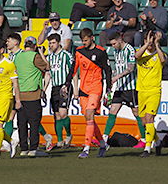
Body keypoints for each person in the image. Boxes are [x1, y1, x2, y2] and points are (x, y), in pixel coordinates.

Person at [64, 28, 111, 158]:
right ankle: (102, 143)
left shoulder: (101, 52)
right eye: (82, 41)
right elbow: (73, 69)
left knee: (90, 114)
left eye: (86, 40)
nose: (84, 43)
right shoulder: (79, 51)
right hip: (83, 89)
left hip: (96, 88)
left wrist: (108, 89)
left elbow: (108, 70)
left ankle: (86, 148)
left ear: (92, 38)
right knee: (89, 118)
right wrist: (67, 84)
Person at [2, 33, 53, 151]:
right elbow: (47, 67)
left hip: (21, 92)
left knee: (21, 121)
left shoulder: (20, 56)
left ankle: (20, 146)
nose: (7, 42)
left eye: (9, 40)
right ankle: (35, 145)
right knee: (29, 121)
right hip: (25, 92)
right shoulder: (27, 56)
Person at [100, 32, 147, 156]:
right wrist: (112, 80)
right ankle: (104, 139)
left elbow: (131, 68)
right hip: (120, 87)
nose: (113, 46)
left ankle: (144, 139)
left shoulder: (129, 50)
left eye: (114, 43)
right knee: (112, 111)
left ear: (120, 40)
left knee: (137, 114)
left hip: (130, 89)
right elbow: (117, 67)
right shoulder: (116, 52)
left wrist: (117, 77)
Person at [14, 36, 49, 157]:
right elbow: (47, 66)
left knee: (22, 124)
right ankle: (33, 148)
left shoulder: (18, 57)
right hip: (33, 95)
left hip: (20, 95)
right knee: (34, 124)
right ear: (34, 46)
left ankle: (24, 148)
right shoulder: (35, 56)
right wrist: (40, 52)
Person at [135, 31, 165, 158]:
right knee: (144, 122)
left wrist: (157, 45)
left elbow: (163, 60)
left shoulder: (158, 54)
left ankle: (147, 148)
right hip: (141, 91)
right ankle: (157, 141)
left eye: (152, 43)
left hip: (154, 90)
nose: (150, 45)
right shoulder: (141, 52)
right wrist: (147, 43)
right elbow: (136, 56)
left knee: (149, 119)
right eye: (149, 42)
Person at [43, 33, 74, 149]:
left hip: (64, 86)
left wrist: (74, 88)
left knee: (63, 113)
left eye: (53, 43)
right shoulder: (49, 57)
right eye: (50, 43)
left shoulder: (66, 55)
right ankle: (60, 140)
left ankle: (69, 135)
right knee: (56, 115)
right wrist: (44, 89)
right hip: (55, 87)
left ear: (59, 42)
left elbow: (73, 72)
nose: (51, 45)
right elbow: (48, 74)